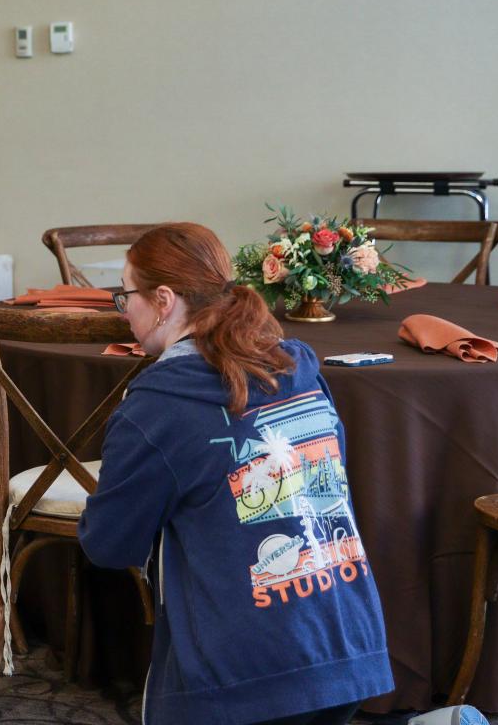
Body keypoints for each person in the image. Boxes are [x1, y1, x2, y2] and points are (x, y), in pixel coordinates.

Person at [79, 223, 394, 725]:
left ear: (163, 299)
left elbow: (109, 545)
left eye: (126, 295)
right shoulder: (298, 367)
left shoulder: (158, 408)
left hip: (242, 678)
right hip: (351, 650)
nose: (125, 310)